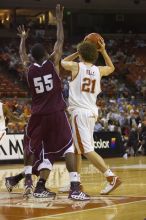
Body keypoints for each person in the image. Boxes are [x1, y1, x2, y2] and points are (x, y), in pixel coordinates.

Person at [5, 5, 89, 200]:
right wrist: (59, 21)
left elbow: (21, 56)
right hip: (56, 112)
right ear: (45, 54)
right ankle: (75, 187)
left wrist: (23, 40)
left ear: (33, 57)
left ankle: (38, 185)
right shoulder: (53, 62)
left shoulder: (28, 68)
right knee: (68, 147)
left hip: (38, 116)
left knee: (44, 151)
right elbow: (60, 41)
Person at [61, 39, 121, 195]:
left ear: (81, 54)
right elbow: (112, 67)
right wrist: (103, 51)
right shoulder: (98, 70)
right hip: (91, 112)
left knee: (86, 150)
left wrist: (77, 52)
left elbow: (62, 62)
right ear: (94, 55)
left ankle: (111, 177)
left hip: (80, 112)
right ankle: (76, 182)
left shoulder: (76, 66)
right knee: (76, 150)